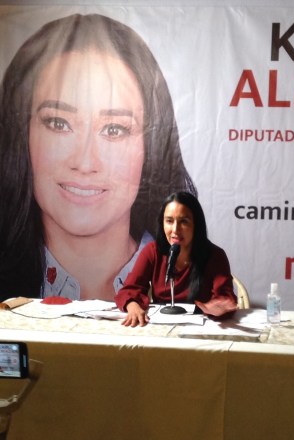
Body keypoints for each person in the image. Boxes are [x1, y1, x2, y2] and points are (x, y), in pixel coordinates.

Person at [0, 14, 196, 301]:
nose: (85, 162)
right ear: (22, 134)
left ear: (151, 149)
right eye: (58, 123)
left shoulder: (201, 286)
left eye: (114, 129)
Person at [115, 192, 238, 327]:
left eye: (184, 221)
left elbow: (225, 297)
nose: (175, 230)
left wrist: (219, 308)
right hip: (161, 327)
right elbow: (129, 290)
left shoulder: (215, 255)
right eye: (169, 221)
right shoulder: (152, 251)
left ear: (196, 224)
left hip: (201, 327)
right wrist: (133, 306)